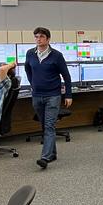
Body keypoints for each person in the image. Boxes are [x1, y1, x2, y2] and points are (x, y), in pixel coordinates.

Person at [24, 27, 72, 170]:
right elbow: (28, 69)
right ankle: (52, 153)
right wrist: (33, 84)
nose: (38, 39)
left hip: (53, 95)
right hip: (37, 96)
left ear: (48, 39)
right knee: (45, 125)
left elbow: (67, 76)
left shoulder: (56, 55)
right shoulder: (30, 54)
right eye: (36, 37)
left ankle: (44, 157)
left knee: (49, 126)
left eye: (41, 37)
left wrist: (68, 95)